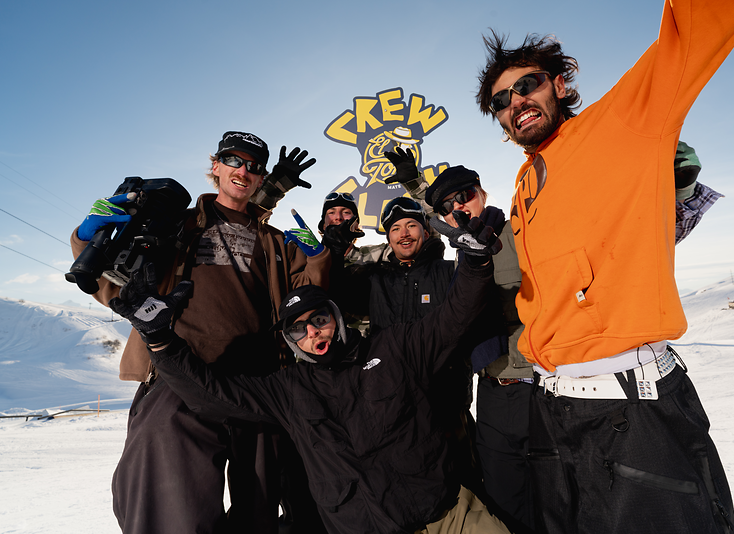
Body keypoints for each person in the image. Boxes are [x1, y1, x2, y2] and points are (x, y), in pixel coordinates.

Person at [474, 1, 734, 532]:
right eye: (500, 101)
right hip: (555, 409)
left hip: (634, 411)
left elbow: (692, 31)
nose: (515, 102)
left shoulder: (621, 121)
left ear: (559, 84)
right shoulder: (523, 186)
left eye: (527, 85)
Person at [108, 213, 510, 534]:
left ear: (337, 316)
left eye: (319, 318)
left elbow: (457, 317)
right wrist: (162, 343)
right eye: (299, 329)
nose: (313, 331)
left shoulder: (395, 348)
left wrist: (474, 264)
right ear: (290, 341)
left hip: (448, 517)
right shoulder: (289, 390)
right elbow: (211, 393)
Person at [70, 131, 329, 533]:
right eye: (233, 160)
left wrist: (320, 255)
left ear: (261, 178)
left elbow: (310, 297)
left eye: (253, 166)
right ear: (216, 167)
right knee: (170, 501)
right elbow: (117, 284)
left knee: (257, 510)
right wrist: (87, 238)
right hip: (181, 372)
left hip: (258, 381)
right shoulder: (176, 225)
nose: (243, 170)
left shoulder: (276, 241)